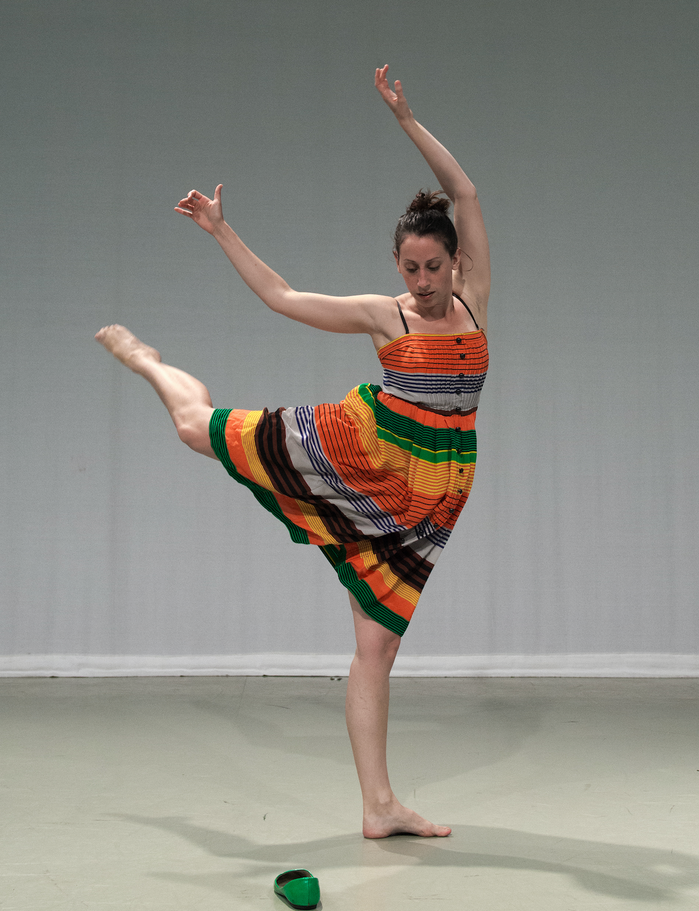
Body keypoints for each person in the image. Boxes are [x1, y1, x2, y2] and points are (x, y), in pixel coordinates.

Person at [95, 66, 490, 838]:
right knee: (194, 430)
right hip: (361, 458)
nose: (422, 281)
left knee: (376, 647)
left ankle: (379, 807)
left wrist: (407, 119)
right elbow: (281, 296)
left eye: (432, 267)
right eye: (409, 269)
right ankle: (147, 360)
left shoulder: (476, 295)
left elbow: (466, 194)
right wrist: (220, 229)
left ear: (455, 261)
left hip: (429, 500)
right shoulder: (387, 314)